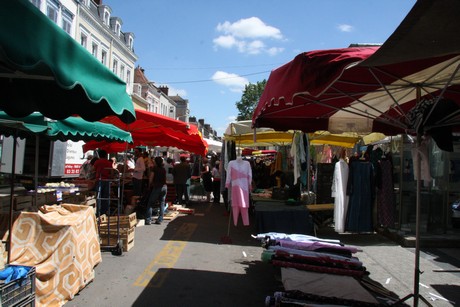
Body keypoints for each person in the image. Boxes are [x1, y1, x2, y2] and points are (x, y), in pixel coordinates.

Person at [145, 156, 167, 225]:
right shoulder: (163, 169)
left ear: (155, 162)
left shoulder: (154, 169)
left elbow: (151, 178)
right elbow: (165, 178)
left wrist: (149, 185)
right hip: (164, 187)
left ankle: (148, 219)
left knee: (150, 203)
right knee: (162, 203)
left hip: (157, 187)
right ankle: (160, 219)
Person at [93, 150, 115, 216]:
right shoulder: (109, 163)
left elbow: (93, 170)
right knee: (106, 197)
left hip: (99, 180)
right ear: (105, 155)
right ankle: (104, 212)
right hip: (106, 181)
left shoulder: (97, 162)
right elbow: (111, 173)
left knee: (98, 196)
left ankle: (98, 212)